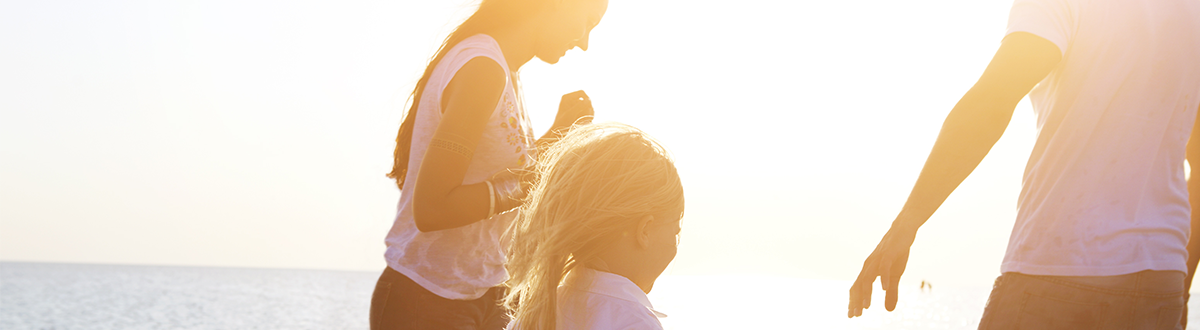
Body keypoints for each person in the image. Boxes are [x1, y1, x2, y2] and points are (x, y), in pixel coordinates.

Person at [846, 0, 1200, 329]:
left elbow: (991, 103)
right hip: (1160, 280)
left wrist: (906, 223)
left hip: (1057, 269)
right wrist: (1178, 288)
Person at [370, 0, 609, 328]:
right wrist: (531, 182)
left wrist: (558, 135)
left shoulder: (504, 69)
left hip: (483, 295)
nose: (584, 43)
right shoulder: (482, 69)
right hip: (427, 300)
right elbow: (431, 208)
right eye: (588, 23)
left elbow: (500, 177)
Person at [502, 123, 684, 330]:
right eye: (676, 233)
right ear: (644, 230)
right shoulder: (635, 322)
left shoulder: (531, 317)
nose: (675, 247)